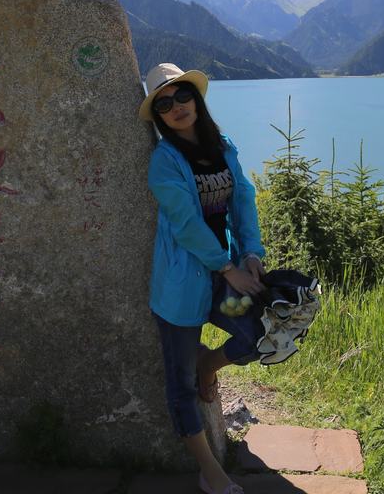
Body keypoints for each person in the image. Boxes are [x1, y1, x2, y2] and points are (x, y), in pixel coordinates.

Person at [140, 63, 267, 494]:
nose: (177, 107)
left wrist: (250, 253)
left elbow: (244, 199)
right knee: (179, 383)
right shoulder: (165, 162)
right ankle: (209, 470)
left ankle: (208, 362)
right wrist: (226, 267)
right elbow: (185, 222)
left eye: (182, 95)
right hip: (182, 283)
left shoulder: (223, 146)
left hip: (226, 271)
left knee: (261, 334)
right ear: (158, 114)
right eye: (164, 103)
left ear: (196, 97)